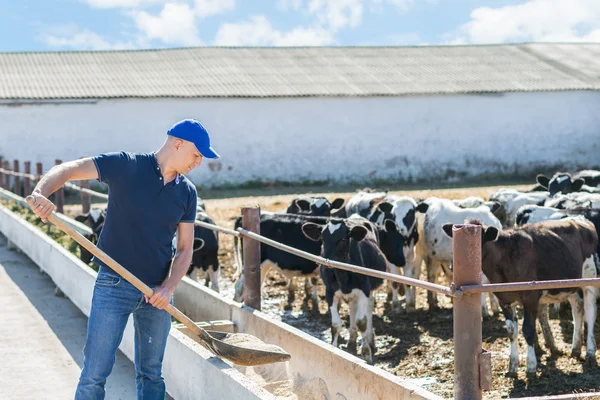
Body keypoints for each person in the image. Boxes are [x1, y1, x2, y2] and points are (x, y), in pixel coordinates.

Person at [28, 119, 219, 400]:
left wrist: (168, 289)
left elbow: (186, 249)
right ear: (178, 144)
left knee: (152, 374)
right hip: (114, 286)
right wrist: (40, 194)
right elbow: (67, 170)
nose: (199, 163)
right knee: (95, 373)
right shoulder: (126, 166)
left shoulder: (187, 192)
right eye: (197, 155)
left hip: (157, 294)